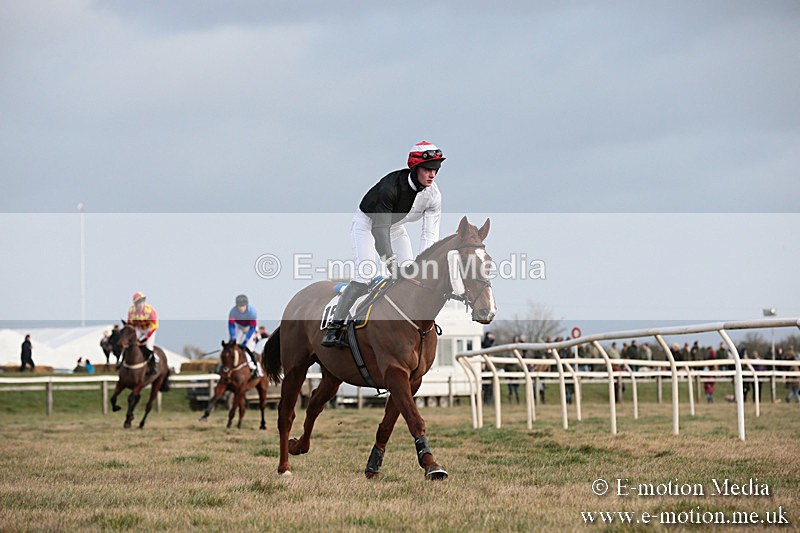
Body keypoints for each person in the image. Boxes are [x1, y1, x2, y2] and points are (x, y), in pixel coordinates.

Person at [322, 140, 445, 348]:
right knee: (366, 274)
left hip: (396, 227)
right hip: (368, 225)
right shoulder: (390, 187)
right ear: (415, 168)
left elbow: (429, 235)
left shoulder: (434, 195)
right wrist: (391, 265)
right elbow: (379, 231)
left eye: (436, 170)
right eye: (427, 169)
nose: (432, 175)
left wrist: (425, 268)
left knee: (412, 273)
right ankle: (335, 328)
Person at [228, 294, 262, 378]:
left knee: (248, 348)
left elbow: (252, 327)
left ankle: (257, 369)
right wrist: (233, 338)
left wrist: (246, 340)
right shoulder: (232, 312)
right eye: (239, 306)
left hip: (250, 329)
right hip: (239, 327)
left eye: (243, 306)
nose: (241, 308)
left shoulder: (252, 312)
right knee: (233, 347)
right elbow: (231, 326)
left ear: (246, 305)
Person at [127, 292, 159, 375]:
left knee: (148, 346)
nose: (141, 304)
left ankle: (153, 365)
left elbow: (154, 326)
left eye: (142, 301)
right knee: (130, 343)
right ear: (135, 304)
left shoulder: (150, 311)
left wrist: (145, 338)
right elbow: (130, 324)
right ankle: (123, 362)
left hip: (149, 329)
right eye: (139, 302)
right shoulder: (131, 310)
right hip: (139, 328)